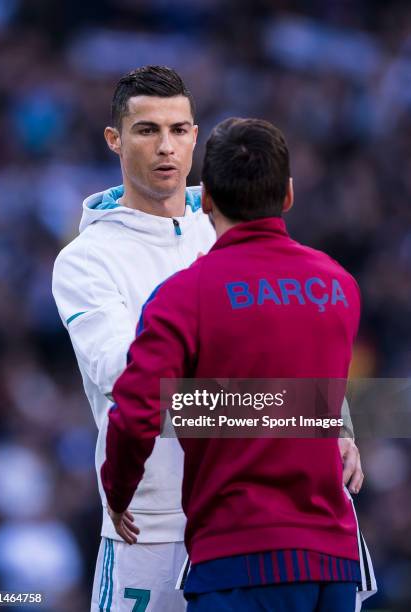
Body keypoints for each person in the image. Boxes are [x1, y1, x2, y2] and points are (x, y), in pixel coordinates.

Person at [101, 117, 373, 611]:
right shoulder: (340, 286)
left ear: (204, 200)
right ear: (288, 195)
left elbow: (137, 409)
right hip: (334, 564)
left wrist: (117, 493)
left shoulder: (183, 297)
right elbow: (309, 396)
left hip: (238, 560)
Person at [52, 66, 215, 611]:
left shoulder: (227, 223)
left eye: (178, 129)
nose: (166, 146)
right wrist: (274, 407)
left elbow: (297, 338)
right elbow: (129, 376)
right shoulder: (85, 259)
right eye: (147, 130)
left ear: (195, 136)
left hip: (241, 514)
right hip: (147, 527)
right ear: (114, 140)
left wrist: (334, 420)